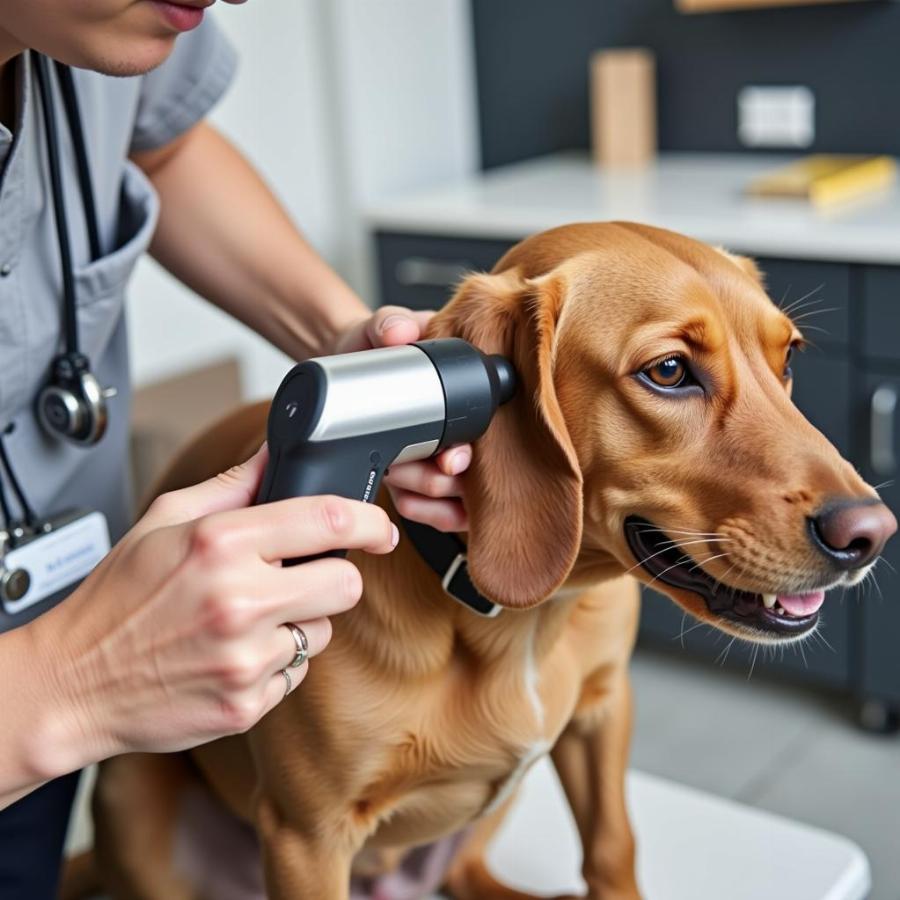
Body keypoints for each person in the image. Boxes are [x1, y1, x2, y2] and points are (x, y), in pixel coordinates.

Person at [0, 2, 473, 897]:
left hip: (57, 611)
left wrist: (342, 337)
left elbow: (164, 143)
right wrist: (63, 685)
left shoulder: (100, 35)